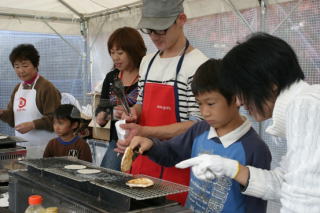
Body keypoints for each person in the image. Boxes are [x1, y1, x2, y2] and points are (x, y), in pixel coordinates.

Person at [176, 32, 320, 212]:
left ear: (270, 83)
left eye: (242, 90)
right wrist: (231, 168)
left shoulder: (305, 105)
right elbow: (283, 183)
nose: (239, 102)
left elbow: (302, 201)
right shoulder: (304, 104)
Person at [129, 59, 271, 212]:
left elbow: (256, 206)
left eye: (210, 104)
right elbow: (171, 152)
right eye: (199, 104)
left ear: (236, 98)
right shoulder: (200, 130)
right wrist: (151, 145)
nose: (204, 112)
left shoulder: (255, 149)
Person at [115, 0, 208, 205]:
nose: (155, 36)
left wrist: (144, 132)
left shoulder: (198, 65)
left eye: (162, 29)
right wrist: (133, 114)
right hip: (143, 162)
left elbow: (197, 125)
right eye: (150, 30)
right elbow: (142, 101)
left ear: (181, 20)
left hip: (178, 168)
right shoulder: (148, 61)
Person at [95, 27, 146, 170]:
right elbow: (100, 119)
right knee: (107, 181)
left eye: (120, 52)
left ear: (134, 51)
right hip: (117, 143)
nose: (115, 57)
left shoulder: (146, 76)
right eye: (112, 52)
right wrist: (109, 113)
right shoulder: (111, 78)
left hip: (142, 142)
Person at [0, 44, 61, 158]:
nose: (21, 71)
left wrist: (33, 124)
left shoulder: (46, 87)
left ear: (35, 65)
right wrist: (2, 114)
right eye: (16, 66)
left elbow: (56, 119)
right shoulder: (17, 89)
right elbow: (13, 120)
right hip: (23, 147)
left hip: (45, 148)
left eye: (25, 65)